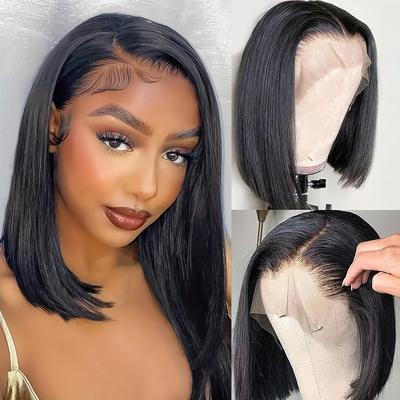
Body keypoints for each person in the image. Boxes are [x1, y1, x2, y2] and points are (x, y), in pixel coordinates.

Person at [0, 13, 230, 399]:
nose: (148, 187)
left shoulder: (188, 279)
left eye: (176, 154)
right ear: (53, 127)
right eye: (117, 141)